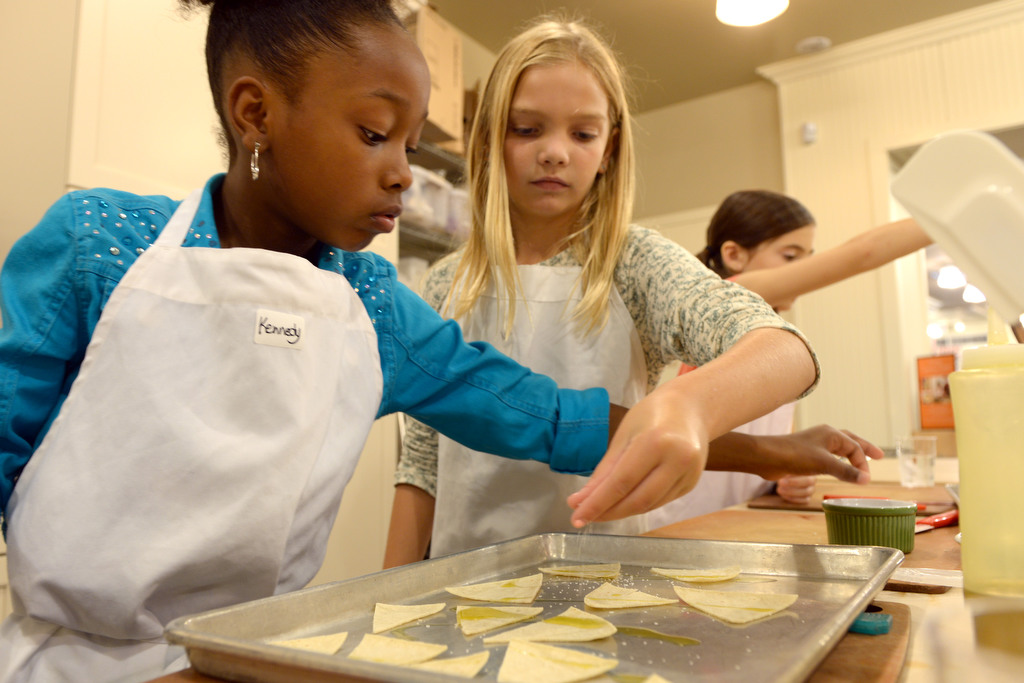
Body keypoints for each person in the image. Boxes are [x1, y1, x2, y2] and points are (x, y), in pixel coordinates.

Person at [0, 3, 814, 681]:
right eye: (372, 135)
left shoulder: (371, 305)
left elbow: (548, 416)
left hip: (241, 657)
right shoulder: (98, 245)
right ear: (256, 114)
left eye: (410, 145)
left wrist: (753, 447)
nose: (400, 173)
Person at [383, 16, 868, 567]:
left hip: (604, 584)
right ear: (492, 138)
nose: (555, 152)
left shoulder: (634, 264)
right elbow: (421, 463)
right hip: (460, 581)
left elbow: (785, 350)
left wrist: (688, 406)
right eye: (527, 128)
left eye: (582, 133)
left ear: (609, 149)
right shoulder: (446, 283)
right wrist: (386, 596)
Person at [645, 190, 931, 528]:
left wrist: (788, 477)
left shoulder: (776, 336)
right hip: (686, 518)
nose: (806, 271)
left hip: (740, 519)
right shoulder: (732, 294)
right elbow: (861, 254)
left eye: (809, 257)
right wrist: (946, 218)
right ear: (734, 255)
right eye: (792, 257)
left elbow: (769, 444)